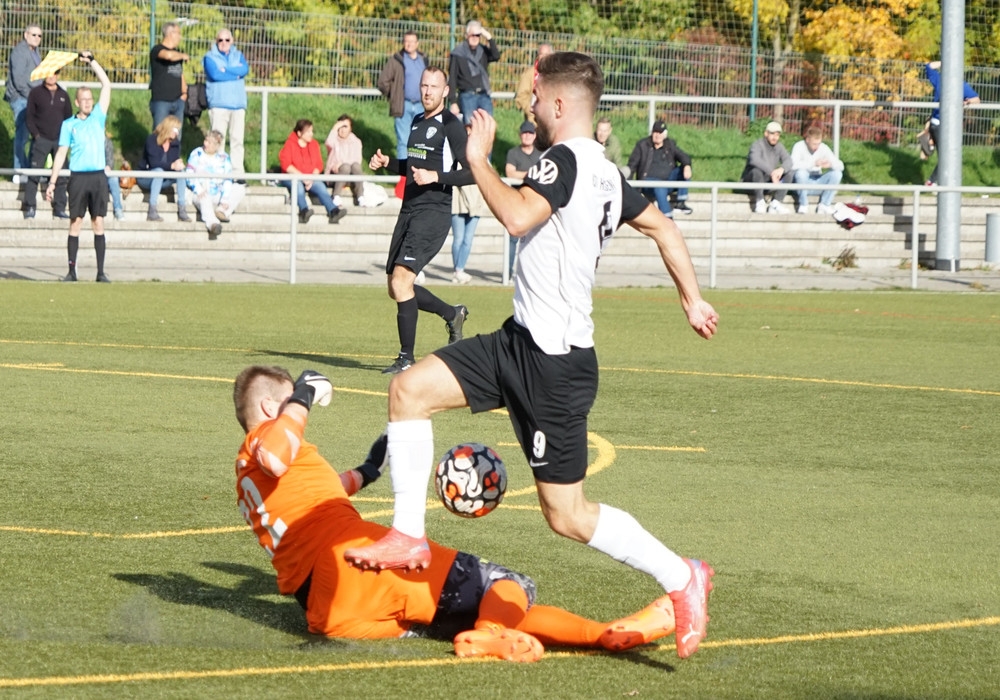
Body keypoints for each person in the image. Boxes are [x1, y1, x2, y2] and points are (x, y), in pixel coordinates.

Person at [344, 51, 718, 660]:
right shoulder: (605, 171)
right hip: (518, 342)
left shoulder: (564, 161)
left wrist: (477, 160)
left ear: (561, 104)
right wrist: (692, 300)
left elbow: (519, 218)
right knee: (408, 390)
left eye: (538, 99)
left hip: (555, 367)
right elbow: (665, 228)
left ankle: (683, 577)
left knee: (567, 515)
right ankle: (408, 536)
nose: (532, 107)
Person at [233, 365, 680, 662]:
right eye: (287, 403)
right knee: (506, 583)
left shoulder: (247, 477)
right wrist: (306, 392)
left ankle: (601, 634)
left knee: (487, 606)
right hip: (355, 564)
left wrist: (370, 469)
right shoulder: (265, 440)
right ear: (271, 408)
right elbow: (276, 453)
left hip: (326, 610)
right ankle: (491, 633)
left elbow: (322, 491)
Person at [368, 67, 473, 376]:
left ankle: (406, 359)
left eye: (434, 86)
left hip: (433, 212)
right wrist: (388, 163)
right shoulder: (416, 120)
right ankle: (452, 314)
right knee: (396, 287)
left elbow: (472, 172)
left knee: (402, 281)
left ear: (445, 91)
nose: (427, 91)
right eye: (424, 85)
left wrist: (436, 176)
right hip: (409, 210)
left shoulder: (451, 125)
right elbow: (414, 165)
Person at [45, 51, 112, 283]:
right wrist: (52, 182)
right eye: (84, 99)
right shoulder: (68, 125)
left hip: (97, 177)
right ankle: (72, 271)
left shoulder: (98, 117)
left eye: (90, 99)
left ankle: (100, 272)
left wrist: (92, 61)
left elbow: (106, 85)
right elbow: (61, 153)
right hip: (78, 178)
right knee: (75, 222)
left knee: (98, 222)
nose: (88, 102)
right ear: (77, 102)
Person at [23, 66, 71, 219]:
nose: (52, 76)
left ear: (58, 75)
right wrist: (36, 135)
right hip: (41, 139)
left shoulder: (63, 95)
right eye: (49, 73)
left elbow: (68, 118)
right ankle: (30, 206)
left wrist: (65, 139)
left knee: (62, 175)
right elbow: (29, 117)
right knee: (34, 173)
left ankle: (60, 208)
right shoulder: (35, 93)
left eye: (55, 73)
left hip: (59, 141)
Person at [278, 118, 347, 225]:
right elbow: (286, 165)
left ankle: (333, 211)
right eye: (308, 132)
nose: (311, 134)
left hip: (310, 178)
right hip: (293, 177)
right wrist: (303, 177)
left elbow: (318, 165)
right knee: (298, 187)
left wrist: (311, 178)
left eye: (311, 131)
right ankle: (304, 211)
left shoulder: (314, 144)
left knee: (320, 186)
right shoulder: (290, 144)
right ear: (299, 133)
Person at [924, 60, 980, 187]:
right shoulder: (940, 80)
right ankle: (932, 182)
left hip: (950, 126)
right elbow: (929, 66)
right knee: (947, 157)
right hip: (938, 124)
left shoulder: (961, 85)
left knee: (949, 156)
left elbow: (977, 100)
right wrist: (947, 60)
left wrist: (967, 102)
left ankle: (937, 182)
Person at [377, 31, 428, 163]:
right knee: (404, 141)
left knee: (420, 142)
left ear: (417, 43)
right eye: (406, 41)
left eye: (412, 41)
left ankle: (416, 170)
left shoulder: (423, 59)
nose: (409, 44)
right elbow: (382, 82)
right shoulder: (396, 60)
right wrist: (394, 95)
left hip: (421, 106)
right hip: (403, 106)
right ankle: (403, 173)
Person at [203, 28, 249, 174]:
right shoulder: (209, 57)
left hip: (238, 105)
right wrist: (235, 73)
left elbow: (244, 70)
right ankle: (218, 172)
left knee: (237, 141)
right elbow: (215, 74)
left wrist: (226, 70)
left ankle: (237, 172)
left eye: (227, 40)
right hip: (219, 105)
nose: (224, 43)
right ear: (216, 41)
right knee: (217, 141)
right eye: (220, 40)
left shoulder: (239, 55)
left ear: (232, 41)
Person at [626, 120, 693, 217]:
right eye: (655, 132)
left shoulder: (669, 144)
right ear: (652, 133)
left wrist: (687, 165)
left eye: (660, 133)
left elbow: (684, 156)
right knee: (659, 186)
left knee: (685, 169)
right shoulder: (642, 145)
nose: (657, 135)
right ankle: (668, 218)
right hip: (648, 182)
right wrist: (630, 188)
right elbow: (632, 165)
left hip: (668, 181)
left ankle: (680, 203)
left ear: (664, 134)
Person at [186, 130, 245, 240]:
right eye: (205, 140)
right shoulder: (196, 153)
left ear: (217, 146)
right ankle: (213, 224)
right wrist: (198, 189)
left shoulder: (224, 157)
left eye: (209, 142)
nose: (205, 144)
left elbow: (228, 179)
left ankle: (222, 211)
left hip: (218, 193)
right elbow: (189, 174)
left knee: (239, 188)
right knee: (205, 198)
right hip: (200, 193)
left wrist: (225, 198)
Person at [450, 125, 488, 285]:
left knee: (468, 239)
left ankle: (460, 269)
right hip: (459, 202)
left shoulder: (483, 156)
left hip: (476, 203)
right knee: (458, 238)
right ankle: (457, 271)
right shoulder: (456, 155)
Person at [503, 120, 541, 279]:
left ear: (535, 135)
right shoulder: (513, 153)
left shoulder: (540, 154)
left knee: (535, 240)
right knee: (512, 240)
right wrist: (530, 174)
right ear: (520, 135)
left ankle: (531, 274)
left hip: (535, 202)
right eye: (525, 133)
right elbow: (510, 172)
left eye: (530, 133)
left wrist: (523, 174)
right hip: (516, 201)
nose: (527, 136)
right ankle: (508, 272)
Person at [5, 23, 43, 181]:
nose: (37, 38)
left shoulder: (35, 52)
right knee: (22, 136)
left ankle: (30, 170)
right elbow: (19, 81)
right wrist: (33, 96)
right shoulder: (20, 52)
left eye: (39, 35)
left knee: (34, 135)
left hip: (32, 98)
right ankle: (19, 171)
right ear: (26, 35)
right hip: (21, 99)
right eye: (34, 34)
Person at [137, 115, 190, 223]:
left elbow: (174, 162)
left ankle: (182, 208)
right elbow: (154, 163)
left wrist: (178, 164)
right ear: (168, 127)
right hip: (146, 177)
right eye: (175, 130)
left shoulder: (175, 143)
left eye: (178, 130)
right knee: (159, 171)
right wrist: (172, 166)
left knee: (181, 172)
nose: (177, 133)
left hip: (164, 177)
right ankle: (152, 209)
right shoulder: (152, 140)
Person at [448, 20, 500, 124]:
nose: (475, 38)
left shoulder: (483, 51)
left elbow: (496, 56)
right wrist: (453, 102)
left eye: (478, 35)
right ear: (466, 35)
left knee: (487, 125)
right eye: (472, 35)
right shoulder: (458, 53)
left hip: (484, 95)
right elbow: (452, 78)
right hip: (467, 96)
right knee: (470, 126)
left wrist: (489, 37)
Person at [790, 126, 844, 215]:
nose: (817, 147)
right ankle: (803, 204)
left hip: (818, 181)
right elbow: (793, 165)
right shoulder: (799, 146)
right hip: (802, 184)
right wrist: (813, 163)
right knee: (801, 173)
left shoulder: (823, 148)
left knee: (837, 174)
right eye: (814, 144)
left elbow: (841, 165)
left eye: (818, 143)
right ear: (807, 140)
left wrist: (831, 164)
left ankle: (824, 205)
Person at [741, 120, 792, 214]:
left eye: (777, 135)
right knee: (756, 171)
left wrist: (781, 169)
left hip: (769, 181)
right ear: (766, 133)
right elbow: (754, 160)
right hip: (752, 181)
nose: (775, 137)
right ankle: (760, 201)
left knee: (789, 173)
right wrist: (772, 172)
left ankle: (776, 203)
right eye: (772, 134)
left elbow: (789, 160)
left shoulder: (779, 147)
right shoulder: (757, 145)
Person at [149, 21, 189, 131]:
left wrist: (184, 93)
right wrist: (183, 56)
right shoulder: (157, 50)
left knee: (176, 134)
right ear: (171, 34)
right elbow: (168, 56)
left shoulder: (177, 53)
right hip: (161, 101)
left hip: (178, 100)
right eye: (178, 33)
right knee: (160, 133)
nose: (180, 37)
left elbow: (179, 72)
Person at [323, 114, 363, 206]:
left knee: (355, 166)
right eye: (340, 126)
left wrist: (341, 163)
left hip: (350, 176)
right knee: (345, 167)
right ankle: (336, 196)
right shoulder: (334, 139)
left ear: (350, 128)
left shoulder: (356, 142)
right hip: (334, 175)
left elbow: (357, 160)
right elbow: (328, 143)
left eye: (345, 126)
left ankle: (361, 196)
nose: (342, 129)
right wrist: (335, 127)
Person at [514, 43, 553, 124]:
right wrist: (530, 110)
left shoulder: (556, 74)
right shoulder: (529, 74)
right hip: (533, 120)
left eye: (547, 54)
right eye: (542, 54)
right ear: (538, 56)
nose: (544, 57)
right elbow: (521, 96)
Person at [105, 132, 125, 221]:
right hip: (91, 173)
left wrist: (108, 166)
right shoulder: (88, 141)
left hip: (104, 173)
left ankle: (118, 209)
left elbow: (110, 162)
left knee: (113, 178)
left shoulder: (106, 141)